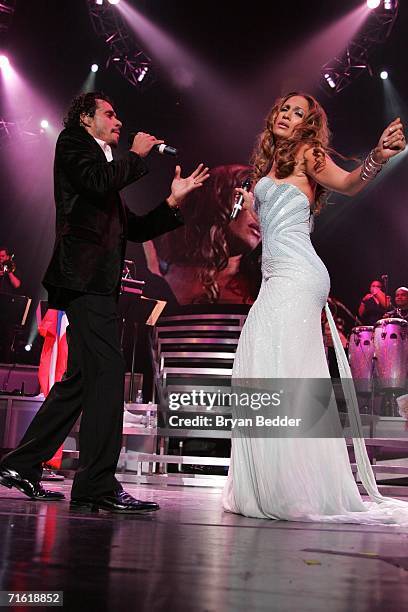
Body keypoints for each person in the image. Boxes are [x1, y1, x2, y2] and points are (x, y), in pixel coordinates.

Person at [0, 91, 209, 514]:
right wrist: (134, 154)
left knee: (80, 377)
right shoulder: (73, 144)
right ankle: (96, 484)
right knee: (109, 372)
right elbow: (97, 182)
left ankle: (21, 464)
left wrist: (172, 201)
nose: (118, 121)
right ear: (84, 118)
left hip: (96, 281)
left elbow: (130, 228)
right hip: (85, 279)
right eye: (110, 115)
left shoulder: (105, 167)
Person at [222, 91, 408, 524]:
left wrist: (378, 157)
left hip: (299, 275)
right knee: (257, 368)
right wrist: (247, 204)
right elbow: (266, 226)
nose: (288, 115)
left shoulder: (309, 153)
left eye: (298, 112)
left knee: (281, 372)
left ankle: (292, 486)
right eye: (284, 108)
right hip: (275, 278)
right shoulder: (267, 168)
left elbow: (348, 182)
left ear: (308, 124)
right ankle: (273, 480)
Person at [152, 164, 262, 304]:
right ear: (221, 199)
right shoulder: (162, 274)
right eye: (254, 202)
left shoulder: (262, 283)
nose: (259, 215)